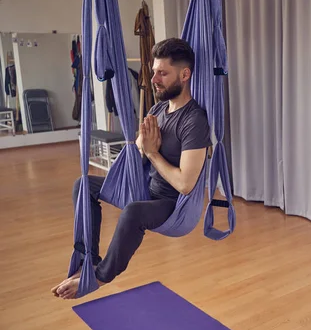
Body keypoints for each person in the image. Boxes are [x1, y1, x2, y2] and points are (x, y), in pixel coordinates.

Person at [51, 38, 212, 299]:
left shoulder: (194, 120)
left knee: (133, 212)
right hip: (143, 189)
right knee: (83, 186)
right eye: (154, 71)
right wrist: (143, 149)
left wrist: (152, 152)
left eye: (163, 73)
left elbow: (186, 184)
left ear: (184, 75)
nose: (154, 79)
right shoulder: (158, 109)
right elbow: (136, 153)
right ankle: (88, 259)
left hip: (170, 207)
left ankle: (100, 277)